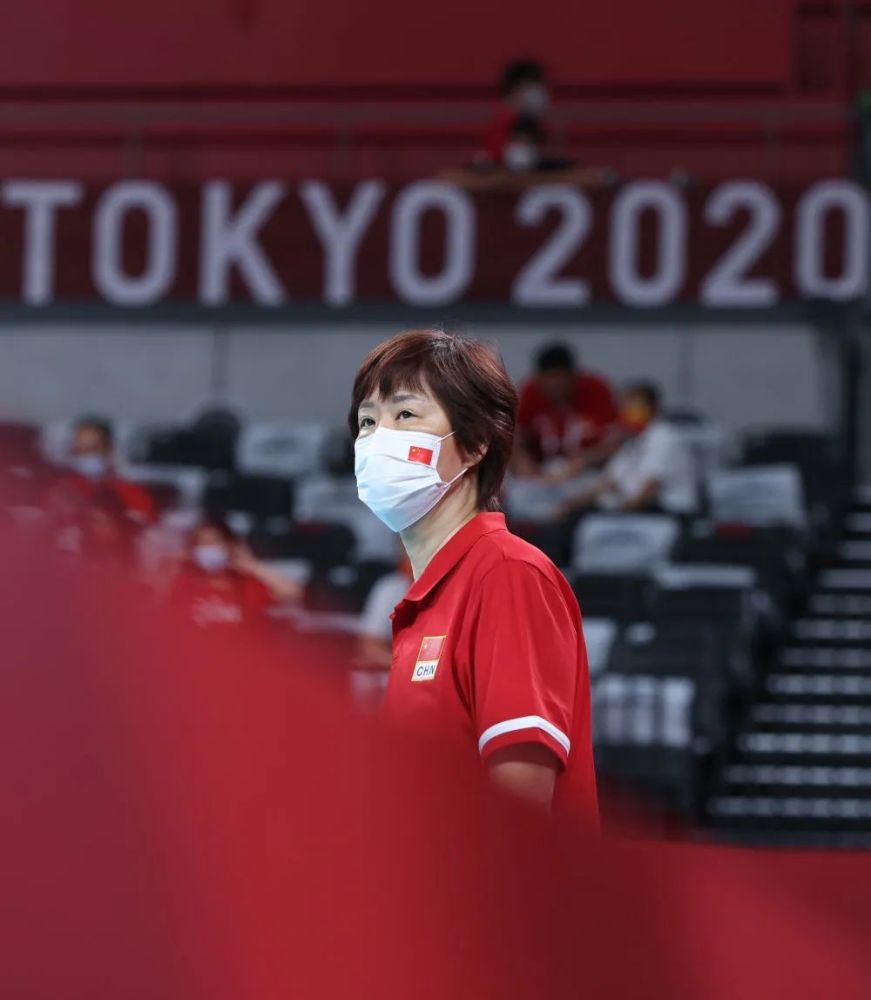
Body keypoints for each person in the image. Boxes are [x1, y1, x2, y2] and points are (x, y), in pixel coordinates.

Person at [350, 329, 597, 822]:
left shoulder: (508, 575)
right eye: (367, 422)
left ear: (475, 442)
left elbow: (520, 815)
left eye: (405, 415)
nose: (378, 440)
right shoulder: (422, 602)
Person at [555, 382, 697, 517]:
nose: (627, 410)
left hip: (668, 510)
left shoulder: (665, 437)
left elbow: (649, 490)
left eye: (634, 404)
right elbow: (607, 483)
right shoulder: (632, 440)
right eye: (624, 405)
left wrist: (618, 515)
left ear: (653, 406)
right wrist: (572, 504)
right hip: (636, 510)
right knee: (576, 514)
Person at [169, 518, 302, 630]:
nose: (208, 548)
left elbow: (292, 592)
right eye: (202, 543)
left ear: (229, 546)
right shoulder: (184, 586)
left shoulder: (246, 585)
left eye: (214, 542)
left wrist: (251, 565)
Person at [514, 342, 620, 481]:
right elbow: (516, 435)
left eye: (560, 379)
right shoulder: (530, 391)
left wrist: (586, 459)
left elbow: (615, 439)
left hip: (589, 472)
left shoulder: (596, 390)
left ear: (573, 376)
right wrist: (521, 461)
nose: (555, 386)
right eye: (549, 379)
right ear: (539, 379)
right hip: (541, 472)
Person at [46, 415, 157, 527]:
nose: (87, 457)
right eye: (81, 451)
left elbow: (145, 525)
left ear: (109, 449)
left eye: (93, 449)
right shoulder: (61, 490)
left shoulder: (130, 491)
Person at [350, 551, 414, 710]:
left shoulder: (457, 586)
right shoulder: (391, 587)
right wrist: (411, 669)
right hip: (401, 676)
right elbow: (369, 647)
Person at [484, 59, 549, 164]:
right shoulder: (502, 125)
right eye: (529, 87)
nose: (537, 93)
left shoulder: (535, 123)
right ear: (513, 91)